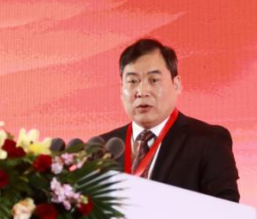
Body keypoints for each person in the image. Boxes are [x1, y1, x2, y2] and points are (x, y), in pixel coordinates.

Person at [96, 38, 240, 202]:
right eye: (132, 81)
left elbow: (228, 210)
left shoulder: (208, 141)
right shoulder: (101, 148)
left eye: (154, 80)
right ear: (121, 89)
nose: (142, 91)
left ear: (176, 84)